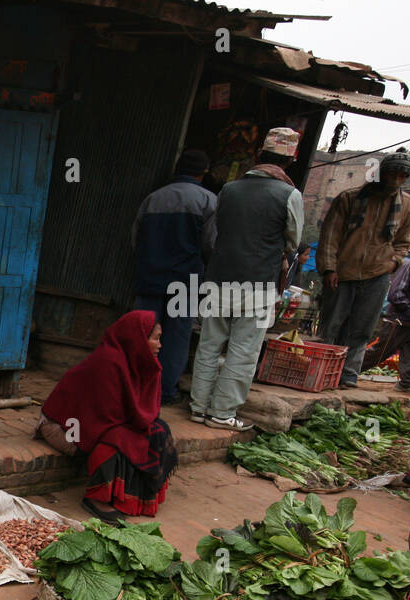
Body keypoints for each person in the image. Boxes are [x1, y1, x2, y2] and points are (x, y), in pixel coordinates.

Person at [188, 127, 303, 432]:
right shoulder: (290, 194)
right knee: (243, 351)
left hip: (220, 277)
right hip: (259, 283)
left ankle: (198, 408)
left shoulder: (230, 189)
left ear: (258, 155)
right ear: (290, 160)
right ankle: (222, 413)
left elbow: (221, 229)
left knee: (209, 345)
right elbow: (293, 242)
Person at [39, 311, 177, 520]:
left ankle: (137, 498)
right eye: (155, 339)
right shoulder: (109, 362)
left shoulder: (143, 363)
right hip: (65, 427)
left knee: (159, 429)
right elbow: (100, 420)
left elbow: (147, 410)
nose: (159, 345)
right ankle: (96, 498)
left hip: (100, 422)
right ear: (137, 338)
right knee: (117, 441)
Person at [317, 148, 410, 389]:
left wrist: (394, 261)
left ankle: (349, 373)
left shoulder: (406, 204)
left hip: (378, 273)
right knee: (332, 325)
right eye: (393, 173)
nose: (397, 179)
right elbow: (330, 237)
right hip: (343, 271)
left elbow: (403, 242)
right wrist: (329, 269)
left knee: (362, 328)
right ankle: (323, 370)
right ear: (382, 173)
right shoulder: (349, 198)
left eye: (402, 175)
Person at [131, 148, 217, 405]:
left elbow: (135, 240)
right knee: (175, 339)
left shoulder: (153, 199)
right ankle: (164, 392)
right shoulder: (208, 201)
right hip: (185, 282)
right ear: (204, 172)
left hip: (149, 279)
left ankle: (134, 389)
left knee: (143, 335)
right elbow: (210, 245)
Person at [388, 254, 410, 395]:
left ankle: (407, 383)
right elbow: (395, 293)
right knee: (380, 352)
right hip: (400, 318)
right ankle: (347, 373)